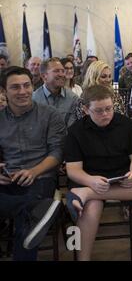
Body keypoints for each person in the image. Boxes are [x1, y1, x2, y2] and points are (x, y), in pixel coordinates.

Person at [64, 85, 132, 261]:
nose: (105, 114)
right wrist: (90, 181)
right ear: (85, 110)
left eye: (108, 108)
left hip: (120, 178)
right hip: (89, 178)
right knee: (91, 208)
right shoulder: (76, 131)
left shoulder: (125, 123)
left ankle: (87, 194)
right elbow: (73, 170)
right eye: (98, 111)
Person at [0, 67, 65, 261]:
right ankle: (35, 208)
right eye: (15, 87)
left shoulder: (50, 115)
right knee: (30, 211)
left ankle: (31, 209)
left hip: (40, 177)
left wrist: (33, 171)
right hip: (8, 177)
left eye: (26, 85)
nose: (22, 91)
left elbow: (58, 152)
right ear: (3, 91)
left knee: (25, 224)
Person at [32, 58, 79, 127]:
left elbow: (72, 128)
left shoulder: (73, 99)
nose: (61, 74)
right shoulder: (34, 99)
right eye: (56, 71)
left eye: (62, 71)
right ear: (44, 76)